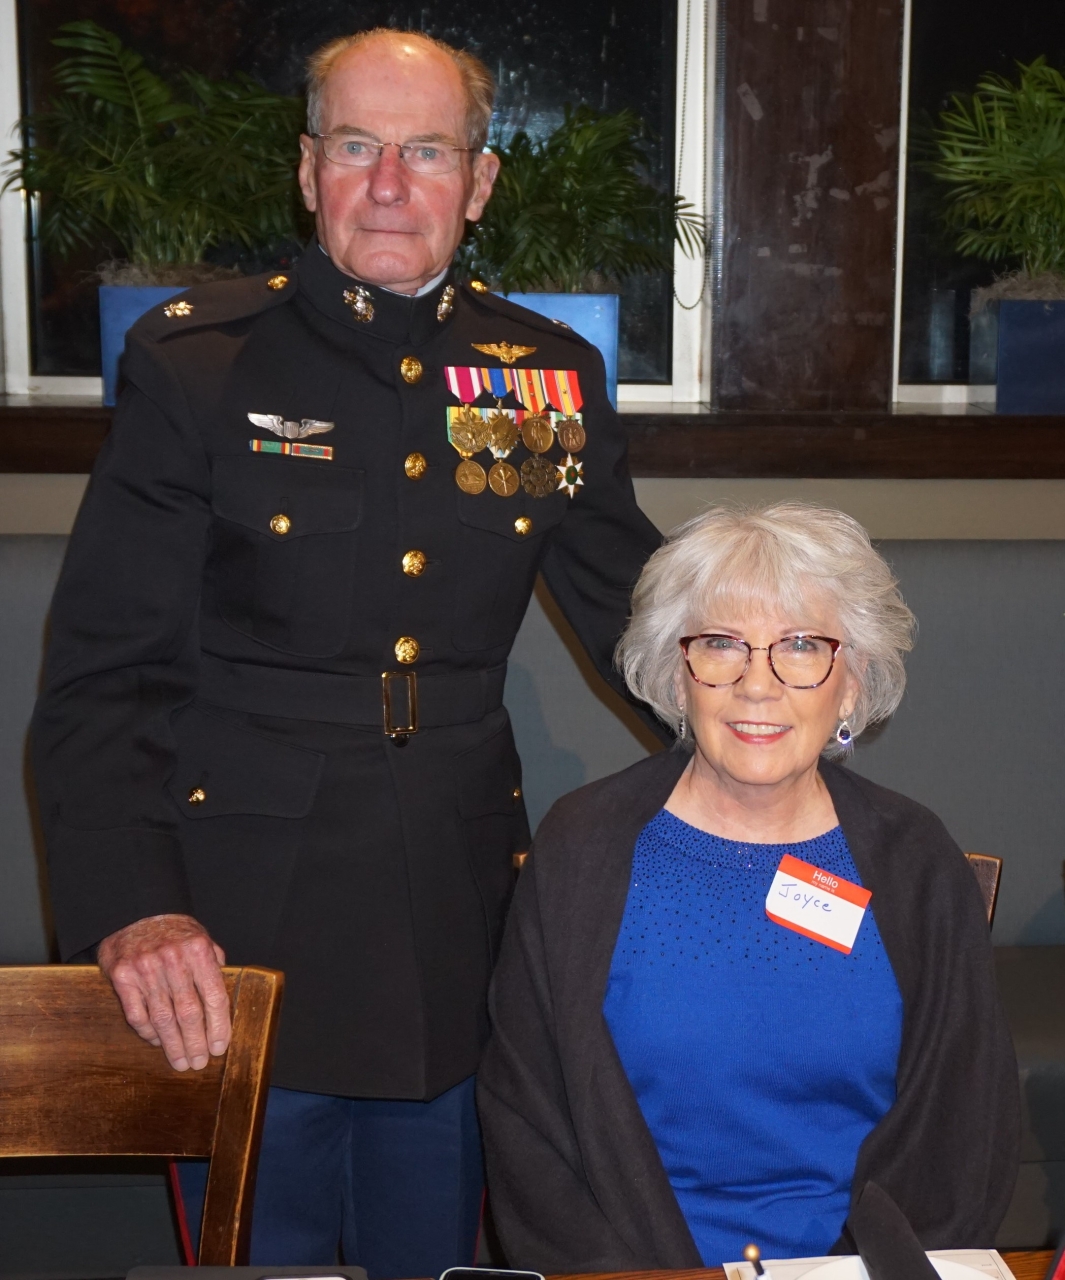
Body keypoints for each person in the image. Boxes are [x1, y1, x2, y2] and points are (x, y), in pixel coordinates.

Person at [30, 27, 665, 1274]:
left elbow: (644, 617)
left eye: (426, 152)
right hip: (236, 929)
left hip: (458, 922)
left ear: (478, 183)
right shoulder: (199, 364)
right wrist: (135, 905)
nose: (388, 184)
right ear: (308, 168)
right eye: (358, 146)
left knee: (443, 1256)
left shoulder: (545, 377)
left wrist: (791, 733)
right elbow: (104, 673)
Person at [477, 502, 1020, 1271]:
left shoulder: (915, 860)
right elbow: (527, 1125)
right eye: (720, 645)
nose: (755, 685)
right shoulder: (582, 847)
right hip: (633, 1269)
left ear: (851, 684)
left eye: (800, 646)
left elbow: (964, 1131)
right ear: (677, 676)